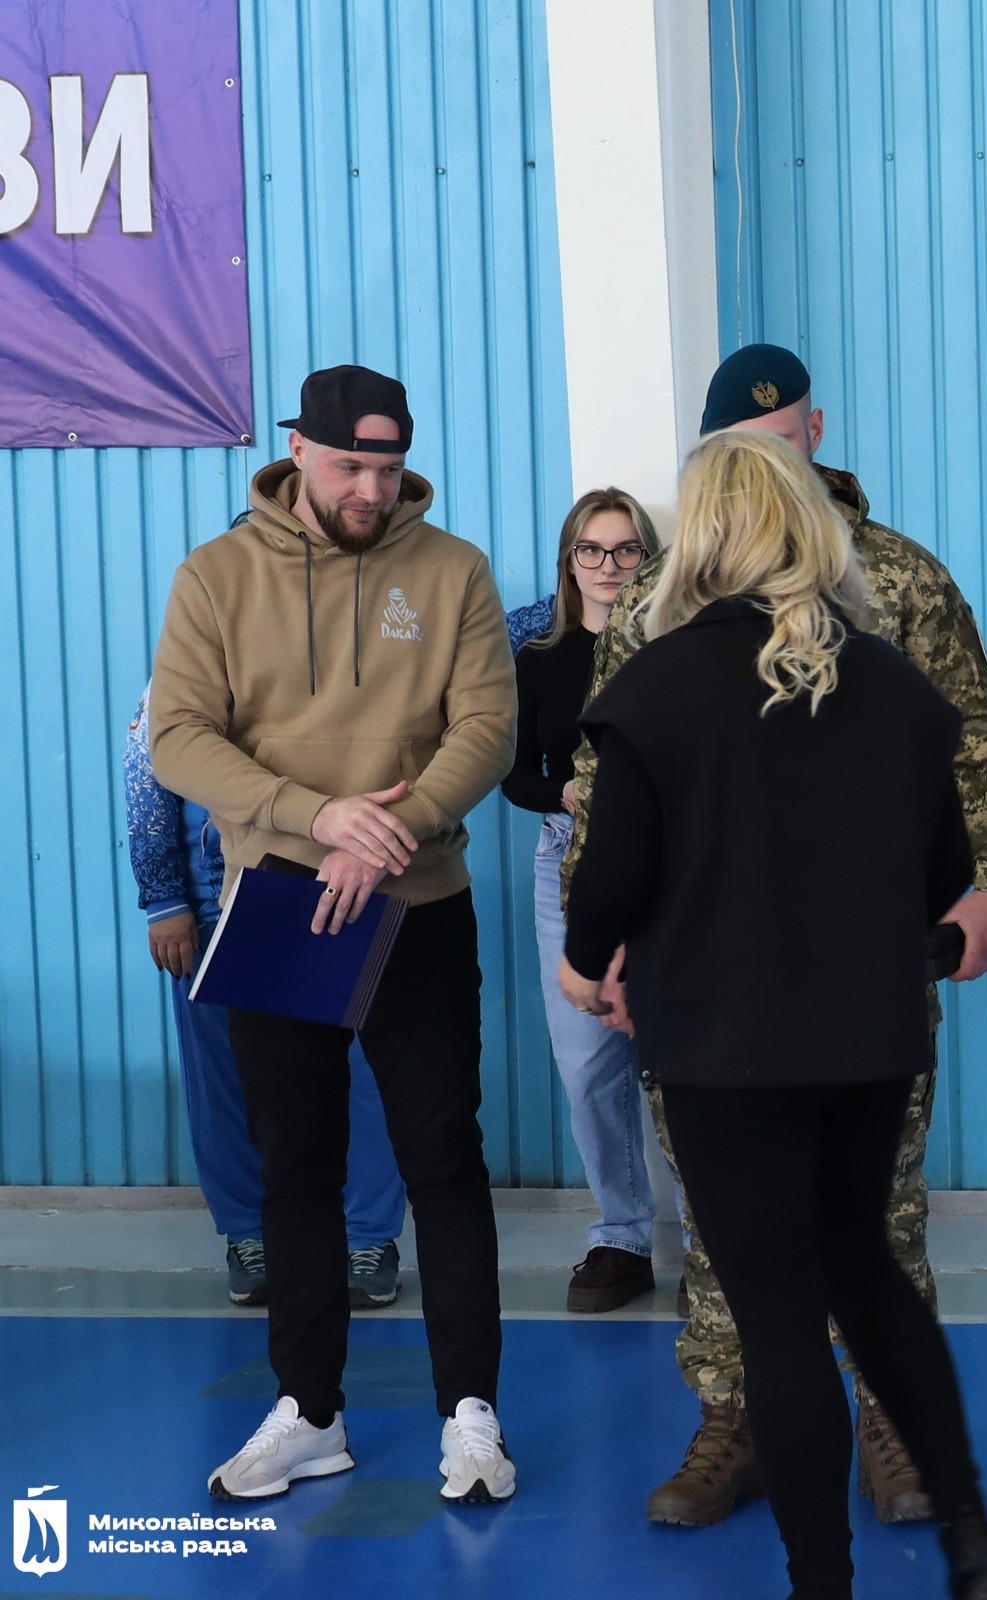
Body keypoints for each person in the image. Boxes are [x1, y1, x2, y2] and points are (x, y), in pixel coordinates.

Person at [559, 344, 987, 1528]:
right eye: (740, 453)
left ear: (815, 434)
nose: (765, 470)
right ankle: (737, 1415)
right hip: (702, 966)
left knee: (877, 1209)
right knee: (723, 1215)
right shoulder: (664, 599)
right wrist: (601, 936)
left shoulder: (900, 578)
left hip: (860, 957)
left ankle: (892, 1420)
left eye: (779, 443)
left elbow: (976, 745)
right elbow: (603, 779)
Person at [149, 365, 518, 1506]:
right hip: (280, 904)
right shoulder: (216, 576)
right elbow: (178, 736)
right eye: (352, 465)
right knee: (297, 1170)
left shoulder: (453, 569)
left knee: (442, 1160)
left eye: (389, 467)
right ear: (298, 451)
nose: (372, 488)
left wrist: (386, 833)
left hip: (417, 900)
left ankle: (471, 1416)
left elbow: (488, 727)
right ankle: (310, 1413)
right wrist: (319, 818)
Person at [125, 687, 407, 1309]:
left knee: (363, 1074)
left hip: (340, 886)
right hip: (214, 903)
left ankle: (368, 1237)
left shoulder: (353, 655)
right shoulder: (180, 671)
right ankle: (249, 1235)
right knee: (227, 1082)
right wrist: (164, 899)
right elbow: (147, 769)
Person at [502, 488, 662, 1313]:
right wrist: (563, 792)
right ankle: (621, 1235)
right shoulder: (538, 656)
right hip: (565, 859)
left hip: (670, 862)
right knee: (586, 1061)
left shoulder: (673, 649)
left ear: (649, 559)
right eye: (592, 551)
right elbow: (513, 774)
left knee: (680, 1057)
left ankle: (718, 1250)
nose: (609, 566)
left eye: (626, 549)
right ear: (570, 562)